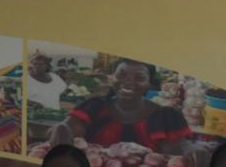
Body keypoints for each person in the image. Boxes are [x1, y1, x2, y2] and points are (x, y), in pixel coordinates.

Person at [49, 59, 189, 154]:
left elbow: (175, 156)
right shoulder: (94, 107)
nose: (128, 82)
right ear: (111, 78)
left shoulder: (166, 117)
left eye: (139, 77)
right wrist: (61, 128)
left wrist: (192, 151)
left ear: (150, 84)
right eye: (121, 75)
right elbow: (66, 130)